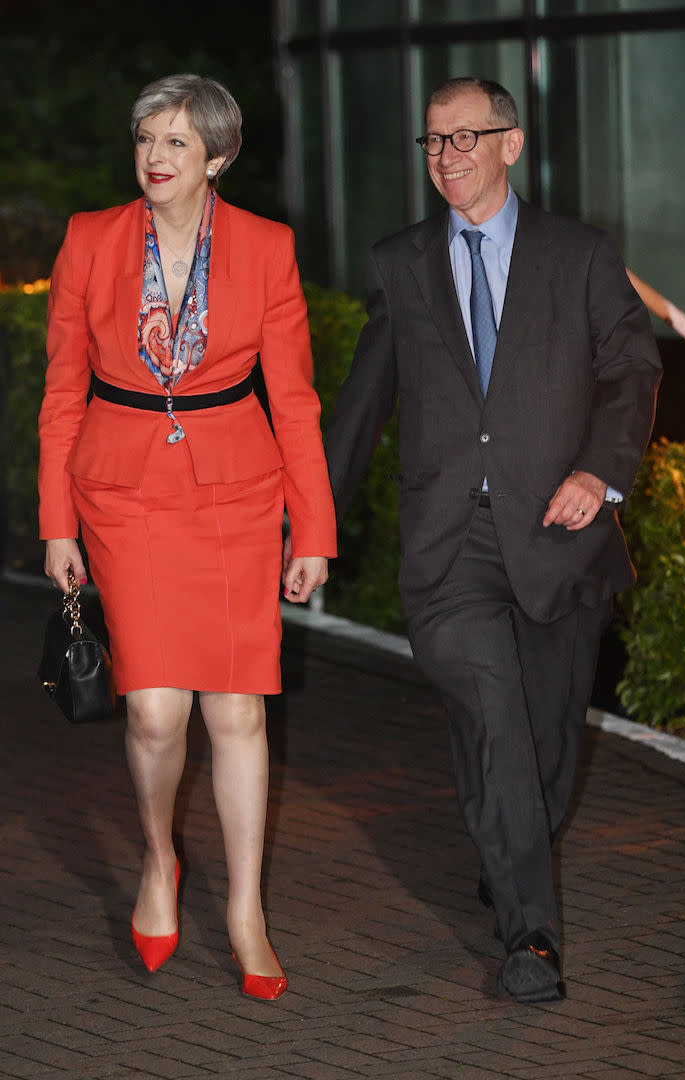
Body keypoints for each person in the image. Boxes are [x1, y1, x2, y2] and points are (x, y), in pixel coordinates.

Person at [321, 77, 661, 1003]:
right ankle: (531, 938)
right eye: (433, 141)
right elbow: (360, 409)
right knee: (495, 721)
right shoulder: (400, 263)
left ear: (512, 144)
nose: (448, 155)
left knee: (546, 744)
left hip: (560, 533)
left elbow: (630, 369)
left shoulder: (578, 255)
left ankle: (509, 850)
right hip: (447, 547)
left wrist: (599, 471)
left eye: (468, 136)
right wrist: (309, 526)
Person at [39, 73, 337, 1000]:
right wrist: (56, 523)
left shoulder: (265, 247)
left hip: (238, 497)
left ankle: (246, 908)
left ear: (217, 157)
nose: (155, 159)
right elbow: (62, 393)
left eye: (175, 143)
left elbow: (292, 400)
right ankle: (160, 857)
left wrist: (312, 529)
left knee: (240, 710)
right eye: (145, 140)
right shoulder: (91, 238)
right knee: (157, 711)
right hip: (123, 493)